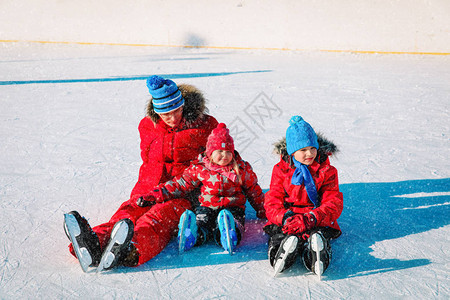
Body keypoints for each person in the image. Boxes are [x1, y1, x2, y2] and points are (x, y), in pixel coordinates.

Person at [64, 75, 218, 272]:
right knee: (125, 215)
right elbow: (147, 158)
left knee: (158, 218)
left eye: (176, 110)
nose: (172, 118)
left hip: (182, 191)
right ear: (156, 112)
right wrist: (147, 186)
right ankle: (92, 243)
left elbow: (221, 158)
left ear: (184, 105)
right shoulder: (147, 126)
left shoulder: (205, 125)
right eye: (165, 114)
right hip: (149, 187)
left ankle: (131, 249)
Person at [137, 123, 266, 255]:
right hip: (206, 206)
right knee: (202, 222)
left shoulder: (241, 169)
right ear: (210, 152)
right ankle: (192, 234)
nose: (224, 155)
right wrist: (155, 195)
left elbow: (254, 191)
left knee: (235, 221)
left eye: (228, 152)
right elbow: (180, 184)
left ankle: (229, 234)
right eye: (220, 151)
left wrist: (265, 210)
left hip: (233, 206)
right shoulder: (200, 168)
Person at [264, 115, 343, 278]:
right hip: (288, 218)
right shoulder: (281, 170)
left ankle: (315, 254)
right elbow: (272, 200)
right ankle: (281, 252)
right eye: (303, 150)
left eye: (313, 148)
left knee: (318, 234)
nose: (310, 153)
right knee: (280, 233)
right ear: (292, 152)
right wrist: (284, 218)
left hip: (314, 216)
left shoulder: (326, 171)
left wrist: (312, 218)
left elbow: (333, 201)